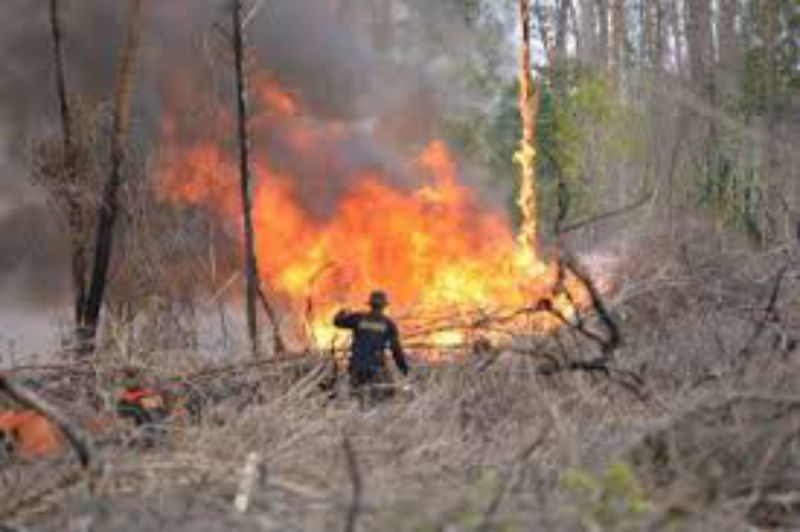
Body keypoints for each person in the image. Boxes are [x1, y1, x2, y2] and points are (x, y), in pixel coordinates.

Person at [333, 290, 410, 404]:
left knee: (358, 398)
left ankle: (358, 417)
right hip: (376, 368)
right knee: (384, 396)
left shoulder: (358, 318)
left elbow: (338, 322)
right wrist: (403, 368)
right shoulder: (388, 324)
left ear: (370, 305)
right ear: (384, 306)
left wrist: (342, 312)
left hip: (357, 366)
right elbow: (396, 350)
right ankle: (375, 418)